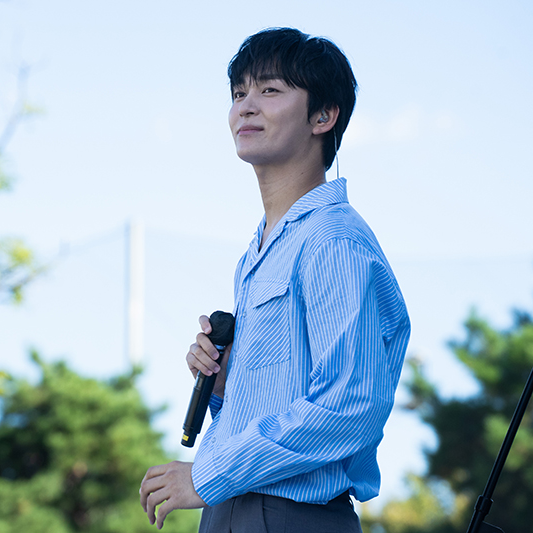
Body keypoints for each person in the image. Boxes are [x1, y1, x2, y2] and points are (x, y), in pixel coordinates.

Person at [139, 27, 411, 532]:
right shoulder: (261, 249)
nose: (245, 106)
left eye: (269, 90)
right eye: (238, 93)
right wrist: (225, 386)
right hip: (234, 512)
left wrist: (207, 475)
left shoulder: (333, 240)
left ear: (323, 116)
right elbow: (278, 402)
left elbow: (350, 404)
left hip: (291, 516)